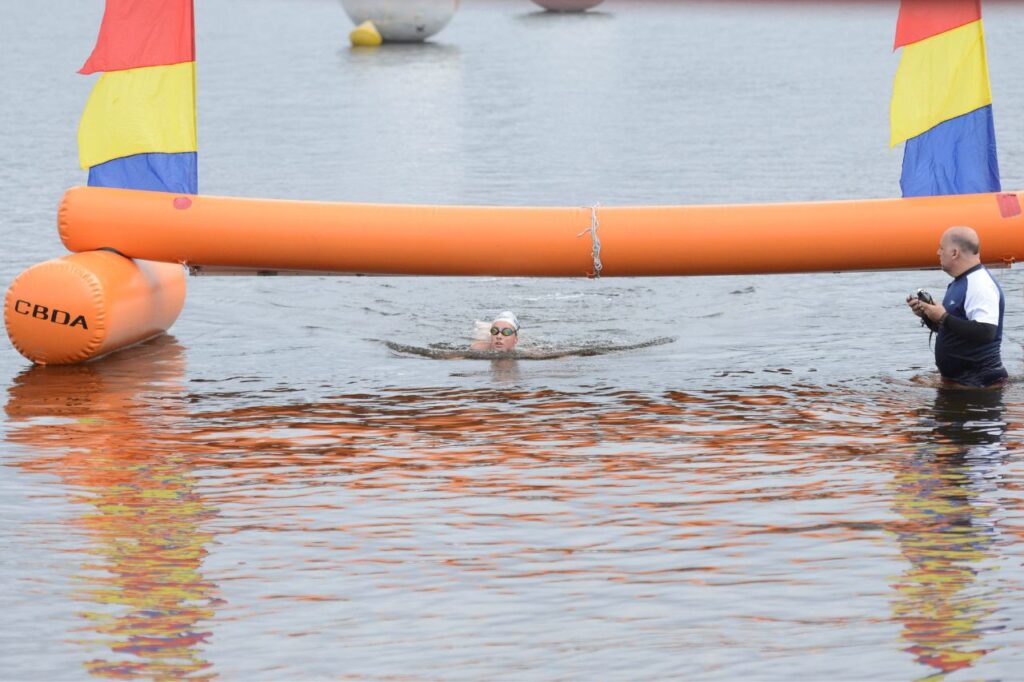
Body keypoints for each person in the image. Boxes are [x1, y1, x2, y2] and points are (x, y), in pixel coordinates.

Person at [907, 225, 1008, 388]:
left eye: (941, 248)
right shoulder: (960, 282)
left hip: (980, 386)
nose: (937, 253)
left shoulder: (980, 284)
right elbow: (954, 330)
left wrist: (943, 316)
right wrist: (927, 315)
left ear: (954, 253)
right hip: (960, 383)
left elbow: (986, 332)